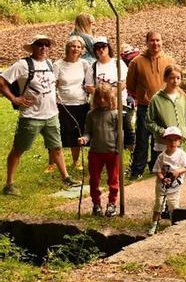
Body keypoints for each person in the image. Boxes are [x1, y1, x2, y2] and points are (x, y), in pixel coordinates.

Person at [2, 34, 80, 195]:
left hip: (51, 114)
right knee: (19, 149)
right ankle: (9, 184)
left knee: (56, 147)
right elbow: (2, 81)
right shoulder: (22, 64)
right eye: (39, 44)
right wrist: (15, 99)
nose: (44, 48)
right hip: (31, 116)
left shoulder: (50, 64)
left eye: (46, 45)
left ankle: (65, 177)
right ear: (33, 47)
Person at [127, 31, 175, 178]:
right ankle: (137, 170)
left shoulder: (169, 60)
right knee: (142, 138)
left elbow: (174, 81)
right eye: (152, 40)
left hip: (163, 107)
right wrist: (143, 97)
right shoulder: (137, 62)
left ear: (162, 42)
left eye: (158, 40)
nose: (155, 43)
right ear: (147, 42)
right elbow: (131, 85)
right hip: (144, 107)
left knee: (160, 138)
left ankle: (156, 166)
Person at [79, 84, 132, 217]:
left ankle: (112, 204)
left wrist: (121, 148)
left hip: (112, 152)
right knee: (94, 180)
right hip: (95, 152)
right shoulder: (91, 115)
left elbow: (120, 133)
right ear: (95, 99)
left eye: (105, 98)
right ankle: (96, 204)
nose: (102, 100)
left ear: (110, 98)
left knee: (113, 180)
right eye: (99, 98)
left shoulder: (115, 114)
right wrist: (84, 139)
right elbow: (88, 132)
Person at [144, 65, 186, 176]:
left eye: (178, 78)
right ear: (165, 78)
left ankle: (176, 193)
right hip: (163, 143)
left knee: (178, 172)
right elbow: (149, 121)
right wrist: (162, 132)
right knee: (164, 173)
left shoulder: (182, 98)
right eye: (171, 78)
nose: (175, 81)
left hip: (179, 141)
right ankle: (163, 193)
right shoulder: (156, 99)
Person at [54, 35, 92, 170]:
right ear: (67, 48)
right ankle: (52, 162)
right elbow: (54, 84)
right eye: (72, 46)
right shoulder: (58, 65)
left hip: (81, 103)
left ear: (82, 50)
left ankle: (76, 161)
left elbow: (89, 83)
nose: (75, 49)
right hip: (63, 104)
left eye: (78, 47)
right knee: (59, 133)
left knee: (77, 133)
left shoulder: (84, 64)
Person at [148, 126, 186, 236]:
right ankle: (154, 223)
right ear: (165, 140)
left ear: (179, 141)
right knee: (158, 204)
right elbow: (157, 170)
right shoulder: (161, 156)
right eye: (170, 140)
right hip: (162, 185)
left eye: (175, 140)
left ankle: (174, 224)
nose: (172, 142)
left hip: (175, 186)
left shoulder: (181, 154)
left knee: (173, 206)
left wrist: (178, 172)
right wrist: (162, 178)